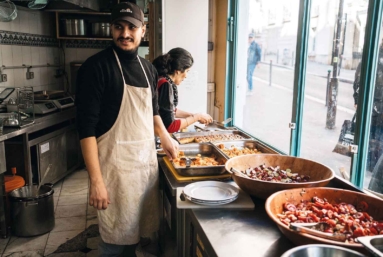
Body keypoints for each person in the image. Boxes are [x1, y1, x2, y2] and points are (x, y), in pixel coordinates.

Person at [75, 2, 178, 256]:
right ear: (111, 29)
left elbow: (152, 112)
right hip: (114, 173)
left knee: (135, 237)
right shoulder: (95, 68)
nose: (125, 34)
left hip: (143, 170)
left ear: (143, 30)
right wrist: (96, 182)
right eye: (118, 27)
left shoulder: (149, 70)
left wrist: (165, 136)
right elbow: (86, 130)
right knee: (114, 243)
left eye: (132, 27)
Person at [152, 48, 213, 132]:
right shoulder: (165, 85)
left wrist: (193, 115)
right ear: (178, 71)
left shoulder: (160, 79)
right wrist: (197, 117)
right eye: (187, 71)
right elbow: (170, 126)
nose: (186, 76)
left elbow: (169, 110)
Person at [353, 39, 383, 193]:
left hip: (374, 110)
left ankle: (371, 166)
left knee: (375, 143)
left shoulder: (374, 54)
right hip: (373, 110)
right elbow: (359, 79)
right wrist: (358, 101)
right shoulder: (373, 55)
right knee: (373, 142)